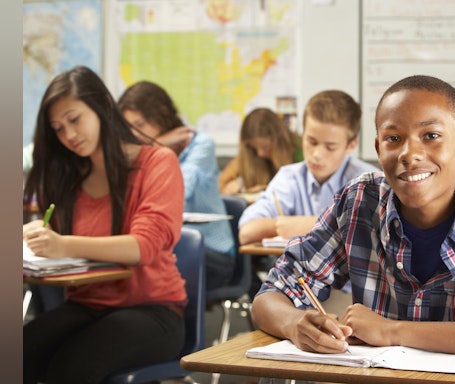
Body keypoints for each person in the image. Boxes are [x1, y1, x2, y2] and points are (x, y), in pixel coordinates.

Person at [250, 75, 455, 384]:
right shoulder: (358, 203)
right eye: (393, 138)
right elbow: (271, 295)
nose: (410, 154)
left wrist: (395, 331)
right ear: (378, 148)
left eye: (431, 136)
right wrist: (295, 324)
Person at [22, 66, 186, 383]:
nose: (68, 135)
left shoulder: (158, 162)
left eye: (74, 119)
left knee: (70, 367)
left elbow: (144, 246)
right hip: (87, 305)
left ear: (103, 108)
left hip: (154, 310)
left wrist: (62, 243)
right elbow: (62, 257)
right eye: (57, 128)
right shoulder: (68, 177)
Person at [118, 81, 236, 290]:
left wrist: (156, 149)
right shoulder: (136, 154)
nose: (134, 135)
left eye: (140, 125)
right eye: (129, 128)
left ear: (160, 117)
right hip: (166, 249)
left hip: (211, 252)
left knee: (148, 267)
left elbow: (175, 193)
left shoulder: (200, 143)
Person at [238, 90, 379, 246]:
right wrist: (282, 225)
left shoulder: (369, 182)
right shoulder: (289, 177)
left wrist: (308, 225)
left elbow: (378, 235)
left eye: (330, 147)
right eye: (311, 142)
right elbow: (246, 232)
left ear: (351, 145)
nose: (317, 154)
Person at [218, 107, 303, 195]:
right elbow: (220, 184)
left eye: (265, 147)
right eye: (254, 148)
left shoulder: (301, 149)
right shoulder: (248, 156)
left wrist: (268, 190)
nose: (260, 153)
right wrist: (228, 189)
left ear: (278, 140)